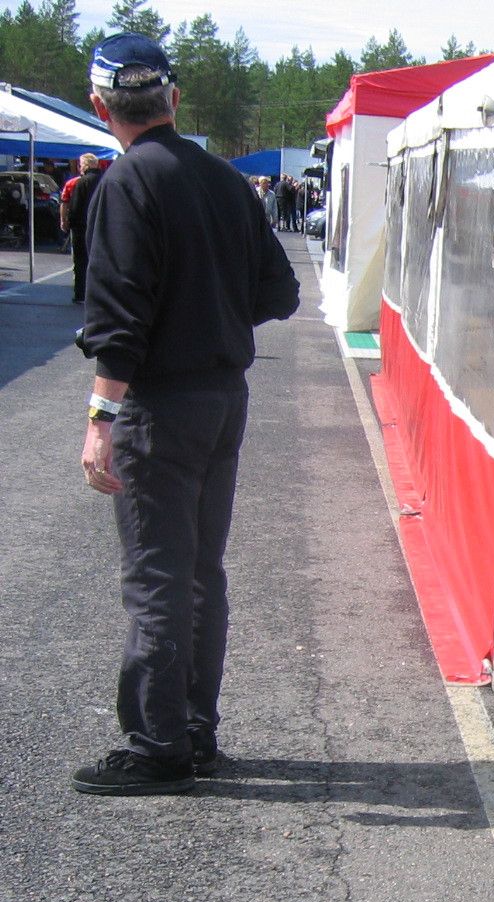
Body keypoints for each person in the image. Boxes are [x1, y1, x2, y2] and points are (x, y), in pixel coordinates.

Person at [71, 33, 300, 795]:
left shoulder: (127, 184)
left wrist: (101, 418)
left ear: (103, 108)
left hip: (161, 404)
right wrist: (213, 313)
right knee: (199, 572)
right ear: (174, 99)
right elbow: (279, 293)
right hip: (221, 397)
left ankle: (159, 745)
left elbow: (118, 318)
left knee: (159, 576)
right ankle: (193, 731)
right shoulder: (228, 182)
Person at [61, 152, 102, 302]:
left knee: (81, 261)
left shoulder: (81, 182)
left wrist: (70, 223)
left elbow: (75, 206)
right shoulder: (106, 180)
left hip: (82, 226)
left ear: (86, 165)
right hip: (102, 226)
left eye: (81, 164)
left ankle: (81, 293)